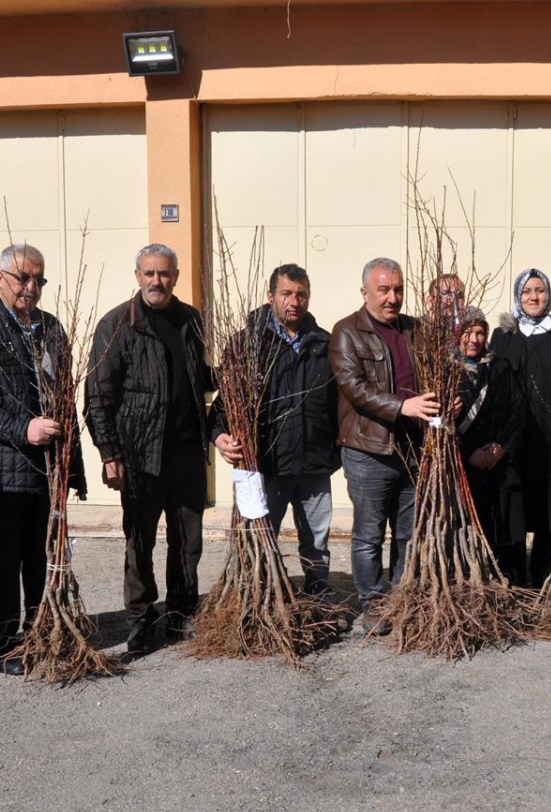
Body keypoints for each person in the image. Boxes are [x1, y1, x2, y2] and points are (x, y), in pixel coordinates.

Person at [0, 243, 85, 671]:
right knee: (3, 563)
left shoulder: (50, 327)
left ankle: (42, 631)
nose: (31, 287)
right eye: (22, 277)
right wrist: (23, 430)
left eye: (38, 279)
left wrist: (73, 467)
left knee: (42, 558)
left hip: (48, 472)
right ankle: (4, 643)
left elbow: (66, 400)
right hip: (0, 473)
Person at [87, 244, 211, 654]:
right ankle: (140, 619)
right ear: (137, 276)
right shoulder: (118, 324)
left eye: (164, 274)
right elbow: (98, 395)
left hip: (187, 451)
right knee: (140, 541)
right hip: (141, 453)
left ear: (175, 276)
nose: (156, 281)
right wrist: (109, 454)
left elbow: (197, 377)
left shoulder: (190, 320)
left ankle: (180, 612)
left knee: (187, 540)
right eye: (149, 273)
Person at [211, 263, 339, 596]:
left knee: (317, 540)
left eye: (301, 294)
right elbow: (225, 403)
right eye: (286, 294)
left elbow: (339, 403)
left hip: (314, 463)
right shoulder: (247, 345)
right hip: (267, 464)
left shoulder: (324, 345)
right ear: (271, 297)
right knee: (259, 536)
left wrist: (335, 451)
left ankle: (318, 594)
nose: (294, 301)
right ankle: (260, 596)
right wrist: (218, 437)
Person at [328, 257, 440, 633]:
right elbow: (354, 388)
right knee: (369, 534)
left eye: (398, 289)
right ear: (365, 293)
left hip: (413, 448)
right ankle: (373, 604)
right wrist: (402, 405)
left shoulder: (416, 329)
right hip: (368, 449)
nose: (393, 298)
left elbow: (434, 374)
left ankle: (401, 597)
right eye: (384, 290)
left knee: (408, 532)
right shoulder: (347, 331)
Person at [491, 268, 551, 587]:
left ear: (548, 294)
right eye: (527, 292)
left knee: (547, 505)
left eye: (539, 290)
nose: (534, 297)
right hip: (514, 437)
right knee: (514, 502)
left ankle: (541, 572)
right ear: (517, 296)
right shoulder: (504, 336)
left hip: (550, 437)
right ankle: (512, 574)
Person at [455, 307, 526, 583]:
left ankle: (514, 586)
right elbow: (440, 423)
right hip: (465, 466)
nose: (474, 339)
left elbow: (518, 412)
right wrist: (467, 453)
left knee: (507, 530)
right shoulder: (445, 371)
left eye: (480, 333)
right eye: (467, 332)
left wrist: (502, 448)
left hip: (500, 463)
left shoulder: (500, 367)